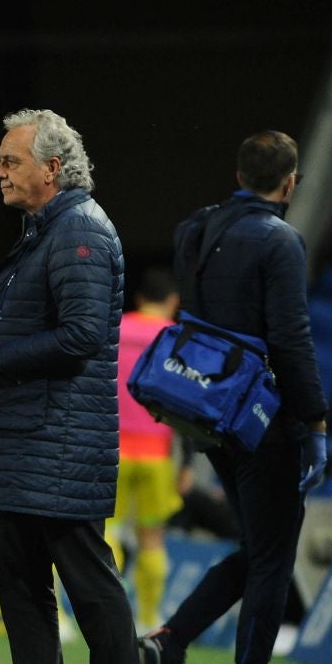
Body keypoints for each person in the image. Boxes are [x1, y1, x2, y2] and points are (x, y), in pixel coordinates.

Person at [0, 108, 146, 664]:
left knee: (88, 581)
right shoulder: (46, 229)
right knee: (20, 577)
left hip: (63, 438)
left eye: (11, 161)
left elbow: (84, 336)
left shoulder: (80, 231)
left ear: (52, 168)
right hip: (30, 436)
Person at [140, 130, 328, 664]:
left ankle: (170, 641)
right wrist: (316, 420)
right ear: (290, 182)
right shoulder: (281, 241)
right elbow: (291, 339)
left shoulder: (195, 229)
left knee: (258, 549)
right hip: (261, 417)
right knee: (272, 557)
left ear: (239, 173)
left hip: (203, 405)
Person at [105, 267, 181, 634]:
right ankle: (149, 619)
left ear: (137, 300)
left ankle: (108, 614)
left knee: (107, 530)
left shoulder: (114, 328)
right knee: (152, 535)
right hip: (157, 451)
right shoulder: (176, 337)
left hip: (112, 447)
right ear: (173, 302)